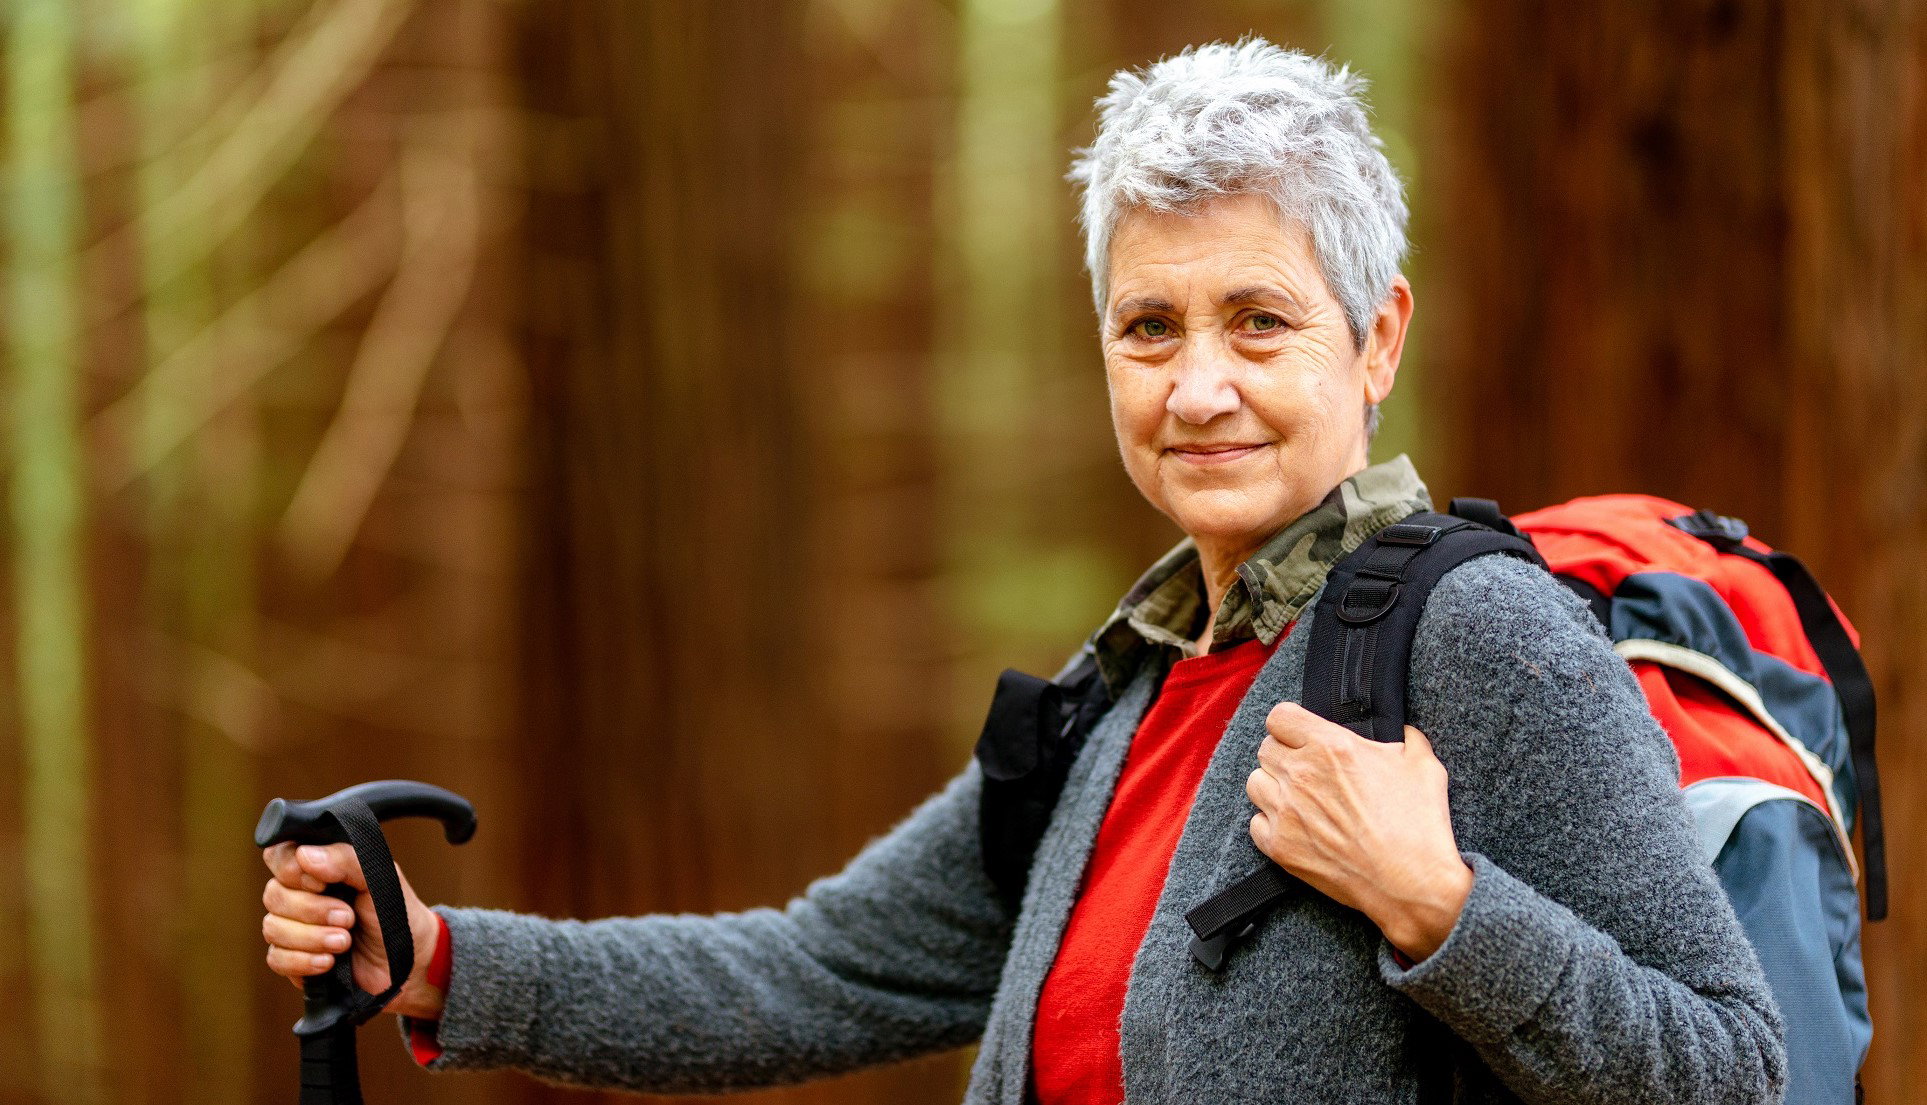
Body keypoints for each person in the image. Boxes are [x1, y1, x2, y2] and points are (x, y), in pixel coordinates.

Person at [260, 39, 1787, 1104]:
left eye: (1259, 320)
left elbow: (1729, 1068)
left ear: (1378, 336)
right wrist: (441, 955)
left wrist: (1438, 900)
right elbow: (812, 972)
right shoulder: (1123, 687)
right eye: (1150, 327)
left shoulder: (1482, 639)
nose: (1198, 387)